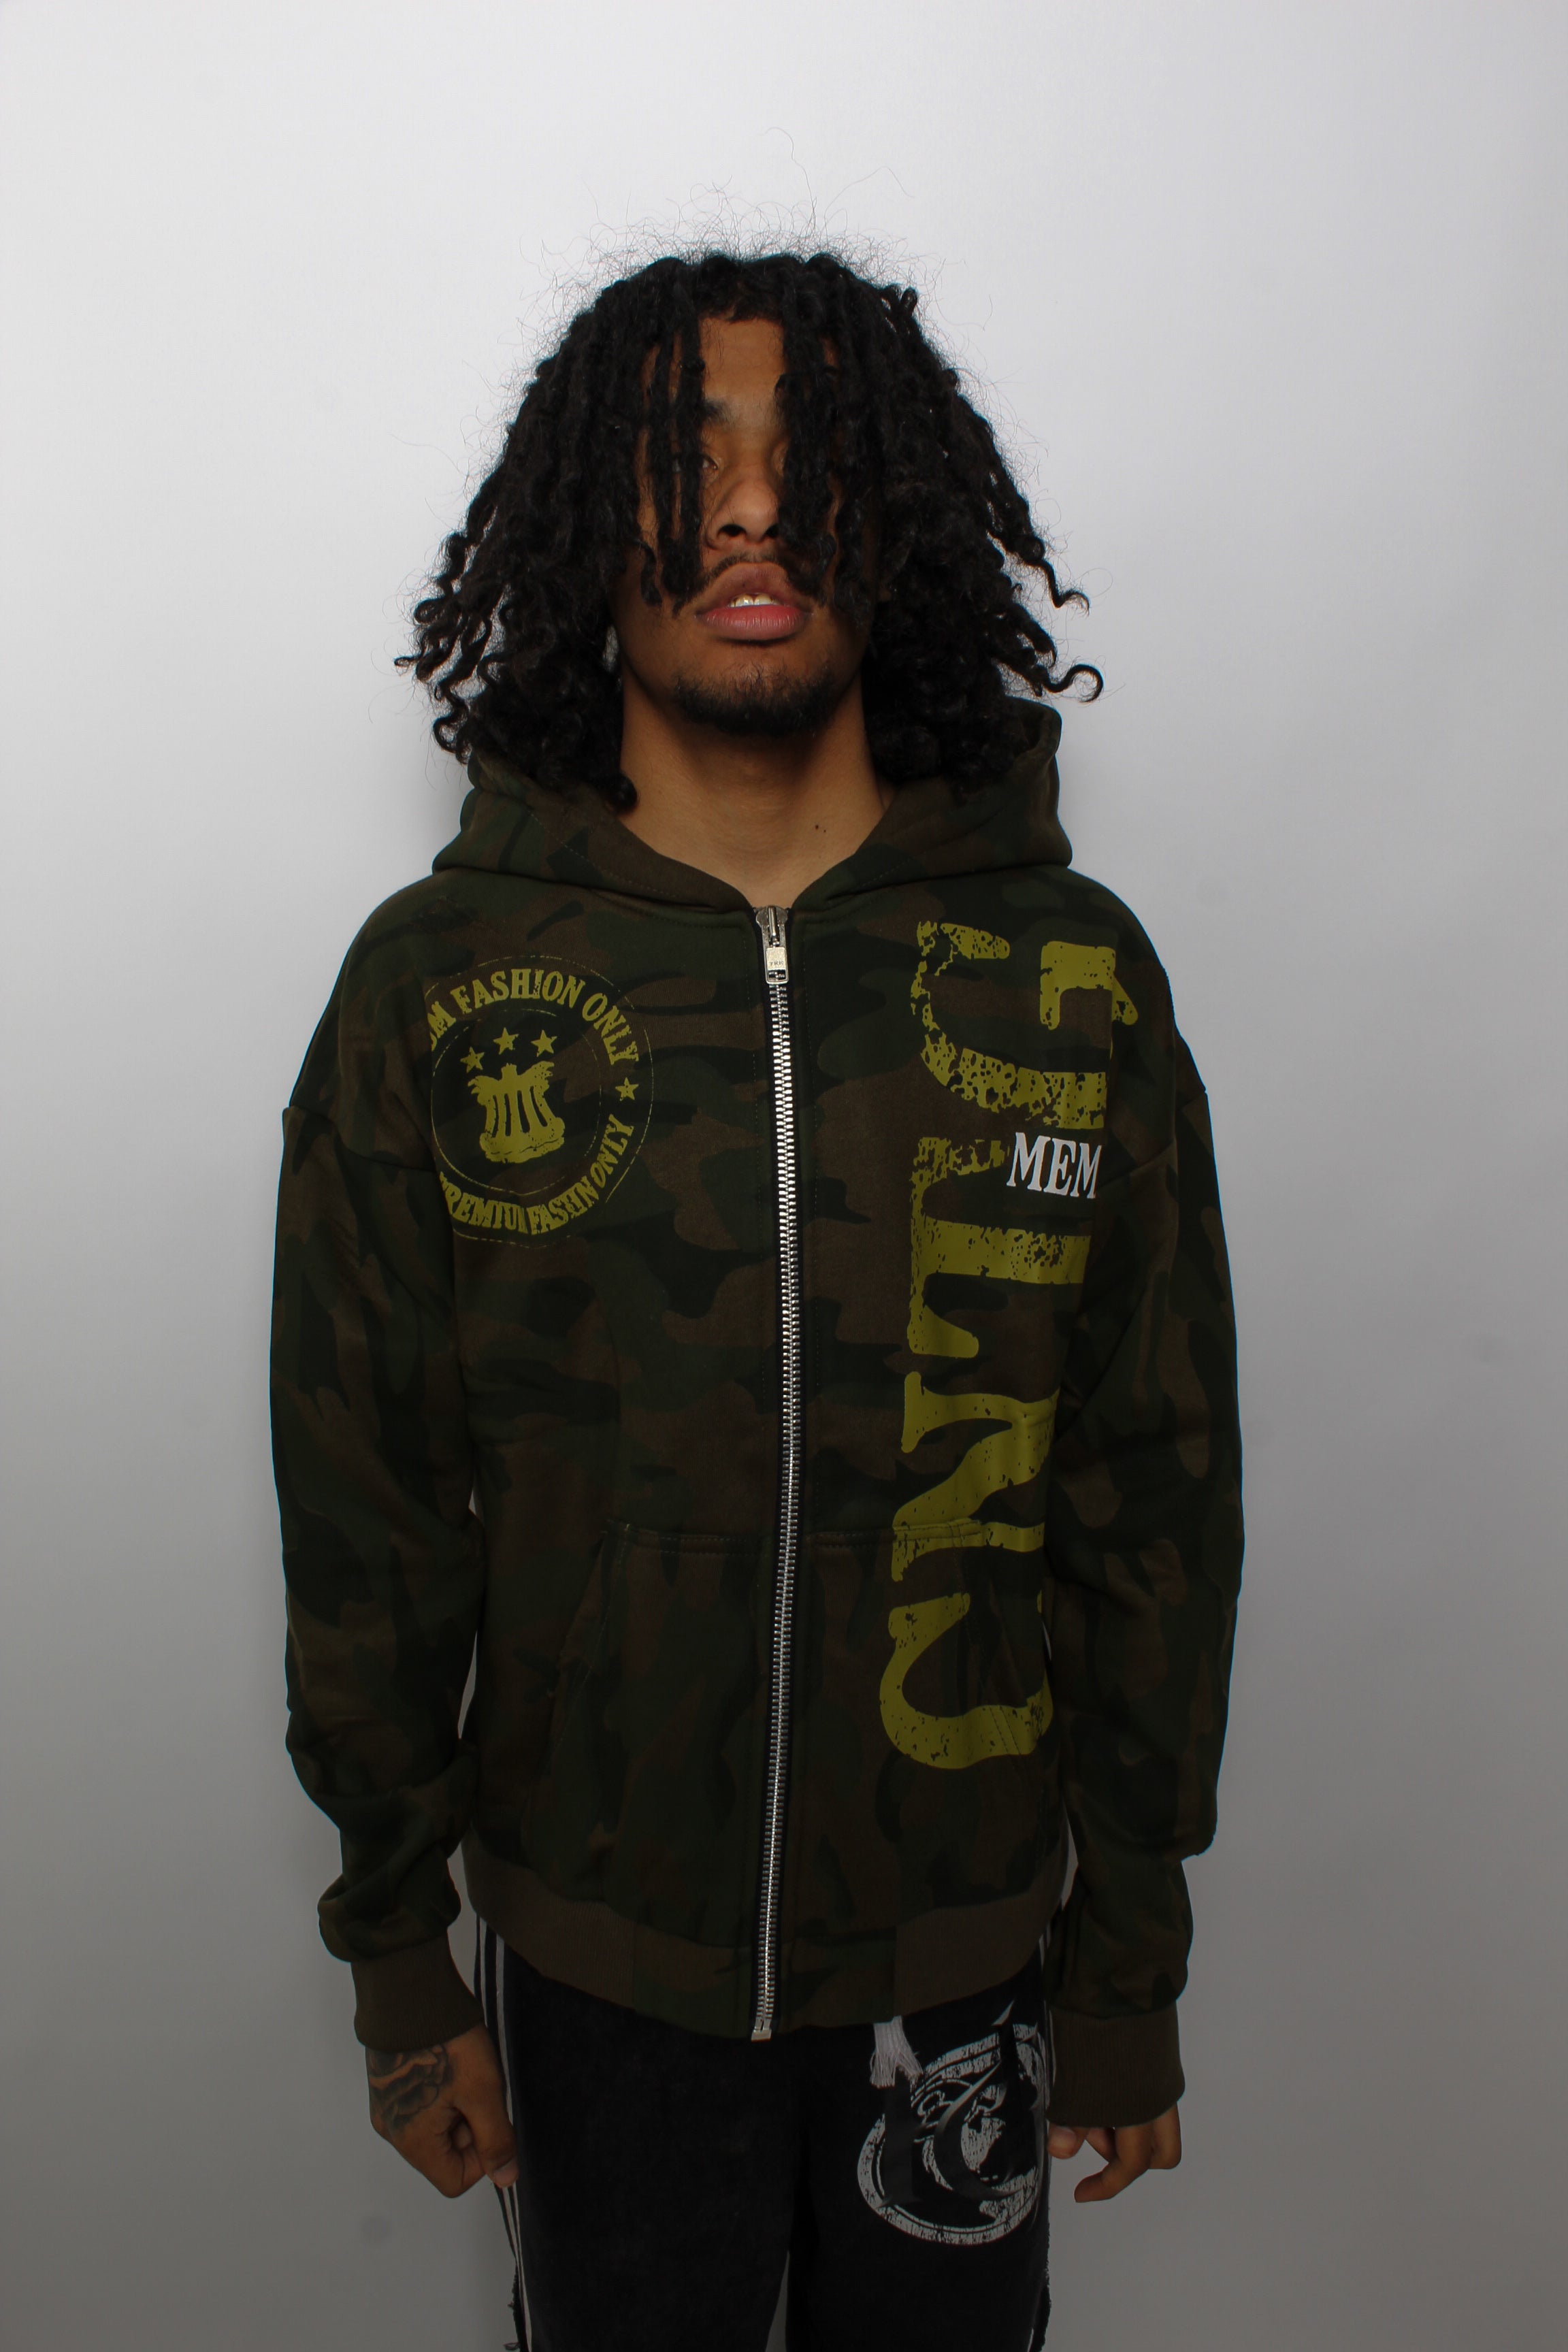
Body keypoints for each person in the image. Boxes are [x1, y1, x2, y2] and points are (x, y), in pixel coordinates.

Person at [270, 248, 1243, 2352]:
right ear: (583, 525)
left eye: (810, 457)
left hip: (964, 1966)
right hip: (596, 1961)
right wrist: (400, 1962)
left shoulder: (1065, 974)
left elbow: (1154, 1490)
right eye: (684, 455)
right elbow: (369, 1513)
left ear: (902, 516)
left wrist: (1129, 1954)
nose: (748, 508)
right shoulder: (441, 986)